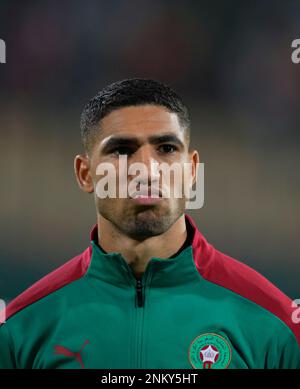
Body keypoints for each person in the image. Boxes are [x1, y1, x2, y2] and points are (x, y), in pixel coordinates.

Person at [0, 78, 299, 369]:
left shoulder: (277, 325)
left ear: (192, 170)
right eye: (121, 151)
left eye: (166, 149)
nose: (146, 170)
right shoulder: (21, 329)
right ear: (85, 174)